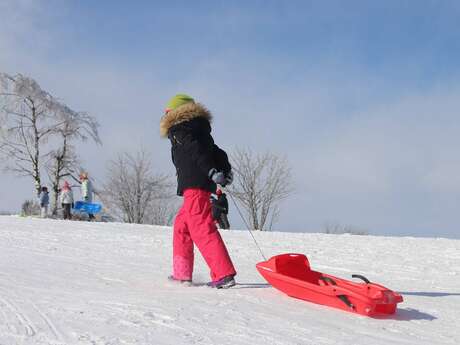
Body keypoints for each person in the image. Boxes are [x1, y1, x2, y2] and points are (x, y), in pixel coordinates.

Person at [160, 94, 236, 289]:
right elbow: (218, 152)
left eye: (167, 112)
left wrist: (211, 171)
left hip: (195, 185)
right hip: (196, 185)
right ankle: (182, 273)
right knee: (181, 226)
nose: (164, 116)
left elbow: (197, 152)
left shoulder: (181, 130)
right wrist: (225, 172)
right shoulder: (198, 130)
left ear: (176, 113)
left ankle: (223, 273)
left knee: (200, 227)